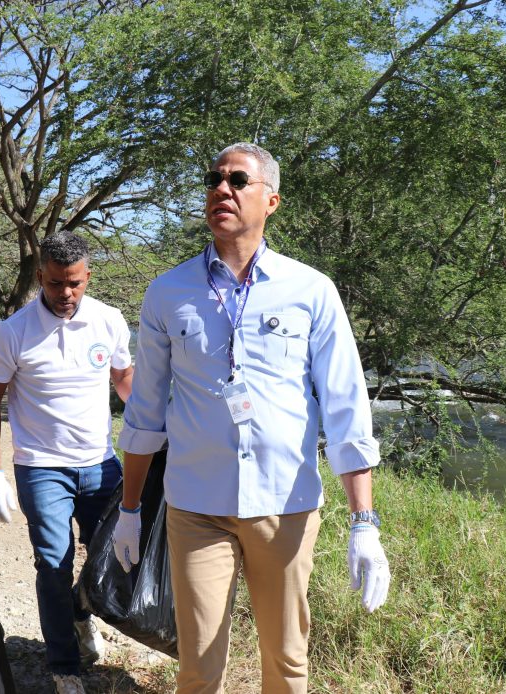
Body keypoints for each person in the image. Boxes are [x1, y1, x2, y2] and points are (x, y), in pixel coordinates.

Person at [112, 143, 391, 694]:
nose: (223, 188)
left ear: (271, 200)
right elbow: (144, 411)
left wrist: (365, 524)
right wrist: (128, 509)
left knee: (287, 662)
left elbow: (344, 407)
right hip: (196, 507)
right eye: (214, 179)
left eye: (238, 179)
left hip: (284, 506)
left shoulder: (310, 290)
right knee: (196, 667)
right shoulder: (169, 292)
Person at [0, 231, 133, 694]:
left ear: (88, 277)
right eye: (56, 284)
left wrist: (155, 424)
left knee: (114, 554)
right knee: (52, 563)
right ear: (40, 275)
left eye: (76, 284)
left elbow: (124, 378)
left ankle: (82, 612)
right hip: (41, 466)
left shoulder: (110, 320)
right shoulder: (12, 332)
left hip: (101, 464)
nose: (66, 294)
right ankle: (64, 665)